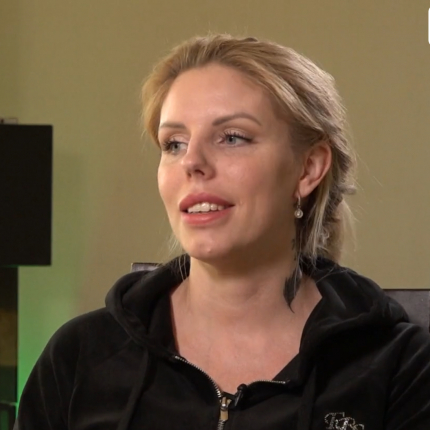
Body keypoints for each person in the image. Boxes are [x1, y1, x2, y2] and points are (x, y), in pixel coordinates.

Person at [15, 34, 430, 430]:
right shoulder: (80, 355)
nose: (191, 162)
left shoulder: (401, 366)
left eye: (232, 137)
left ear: (308, 168)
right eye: (173, 143)